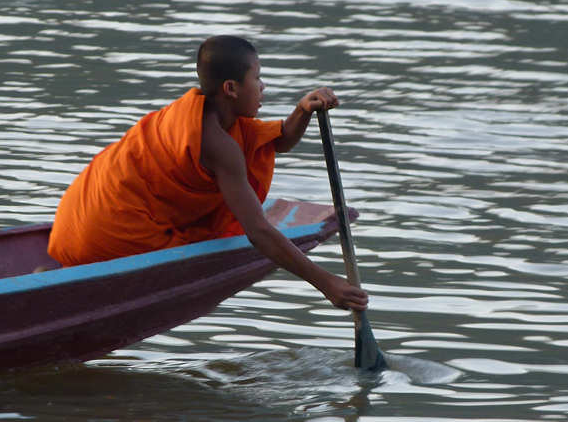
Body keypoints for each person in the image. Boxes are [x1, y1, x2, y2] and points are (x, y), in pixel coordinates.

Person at [48, 35, 368, 311]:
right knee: (202, 256)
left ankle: (53, 279)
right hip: (110, 231)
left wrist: (303, 110)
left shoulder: (213, 115)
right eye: (256, 78)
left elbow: (279, 139)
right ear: (231, 88)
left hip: (72, 220)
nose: (263, 86)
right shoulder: (215, 142)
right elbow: (258, 231)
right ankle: (59, 292)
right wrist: (326, 283)